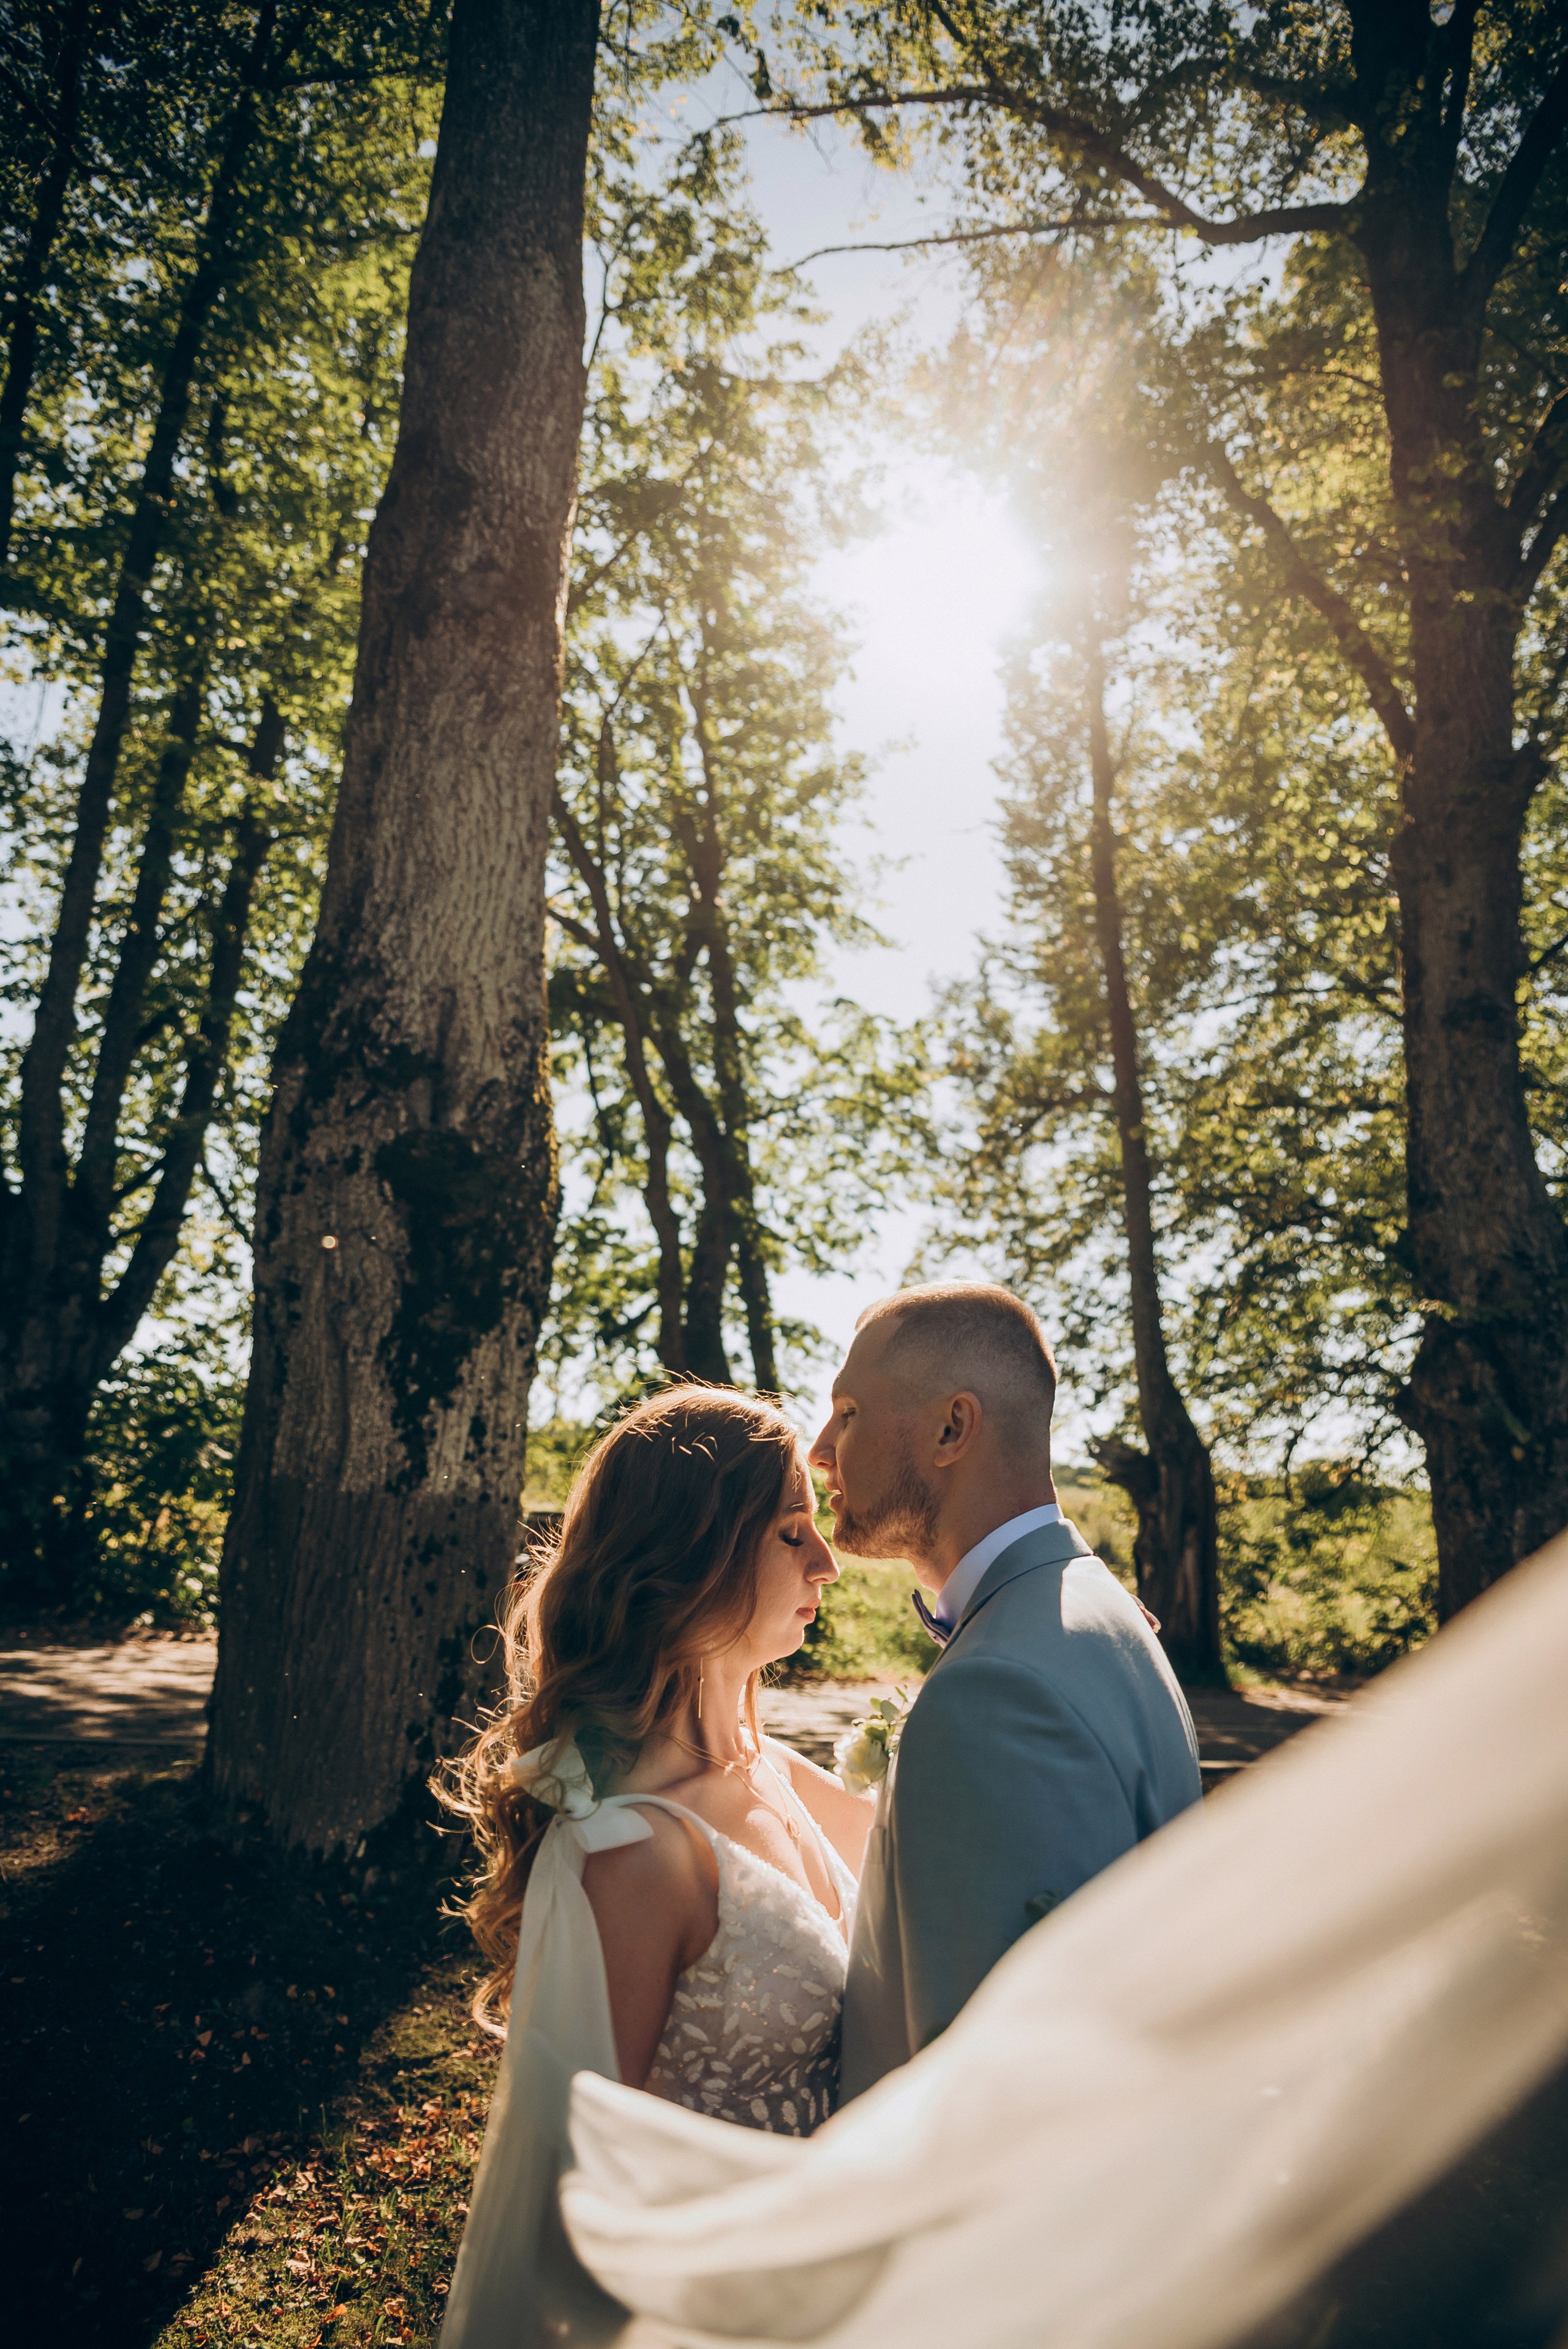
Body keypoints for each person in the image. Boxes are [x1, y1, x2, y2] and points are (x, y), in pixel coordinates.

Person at [436, 1384, 875, 2349]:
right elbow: (592, 2186)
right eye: (793, 1533)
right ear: (696, 1558)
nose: (828, 1564)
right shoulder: (634, 1852)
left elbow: (932, 1862)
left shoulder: (779, 1771)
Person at [808, 1281, 1203, 2097]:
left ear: (953, 1428)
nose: (820, 1450)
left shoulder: (996, 1692)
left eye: (847, 1413)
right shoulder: (1094, 1609)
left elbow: (991, 2090)